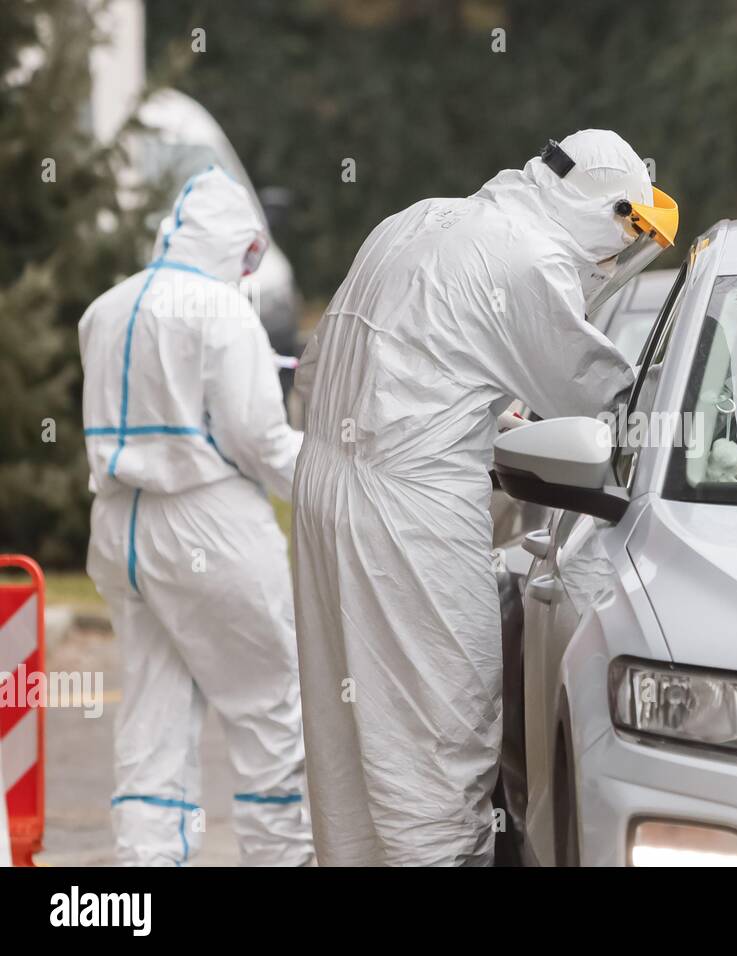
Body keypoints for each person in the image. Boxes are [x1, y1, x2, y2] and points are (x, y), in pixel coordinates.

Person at [292, 129, 677, 866]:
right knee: (438, 740)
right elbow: (611, 402)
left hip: (326, 484)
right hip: (408, 510)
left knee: (350, 744)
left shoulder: (420, 219)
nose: (616, 255)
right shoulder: (532, 260)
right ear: (608, 212)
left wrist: (471, 414)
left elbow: (326, 370)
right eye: (628, 231)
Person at [80, 167, 314, 866]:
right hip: (208, 522)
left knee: (154, 713)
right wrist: (337, 483)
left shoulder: (106, 308)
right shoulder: (222, 312)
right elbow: (259, 440)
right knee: (273, 704)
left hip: (119, 527)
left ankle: (143, 873)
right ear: (238, 244)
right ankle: (283, 859)